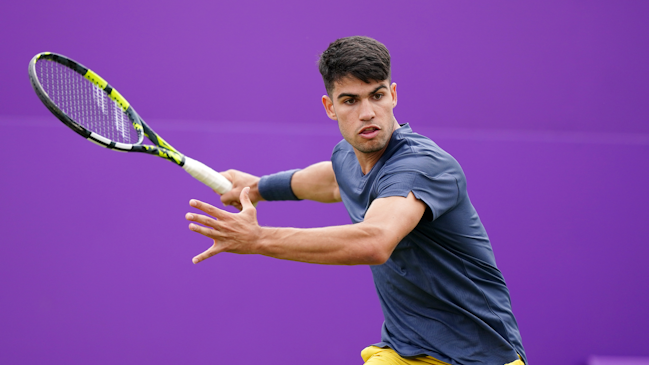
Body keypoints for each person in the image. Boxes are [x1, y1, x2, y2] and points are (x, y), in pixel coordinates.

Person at [184, 36, 527, 365]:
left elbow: (374, 241)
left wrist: (258, 239)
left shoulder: (420, 166)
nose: (367, 113)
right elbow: (333, 180)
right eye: (350, 100)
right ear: (330, 107)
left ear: (393, 95)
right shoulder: (350, 155)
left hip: (481, 357)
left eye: (376, 95)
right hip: (405, 351)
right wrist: (259, 187)